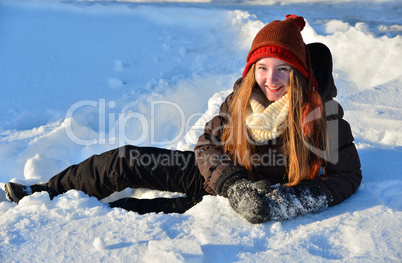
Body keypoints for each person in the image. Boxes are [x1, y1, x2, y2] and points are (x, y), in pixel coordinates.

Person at [5, 15, 362, 224]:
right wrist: (231, 183)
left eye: (283, 69)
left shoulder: (320, 117)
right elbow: (208, 144)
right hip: (221, 179)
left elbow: (348, 176)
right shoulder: (240, 97)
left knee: (138, 213)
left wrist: (282, 203)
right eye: (263, 68)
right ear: (252, 69)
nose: (271, 80)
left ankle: (81, 219)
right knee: (126, 159)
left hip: (254, 197)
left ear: (298, 72)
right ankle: (44, 193)